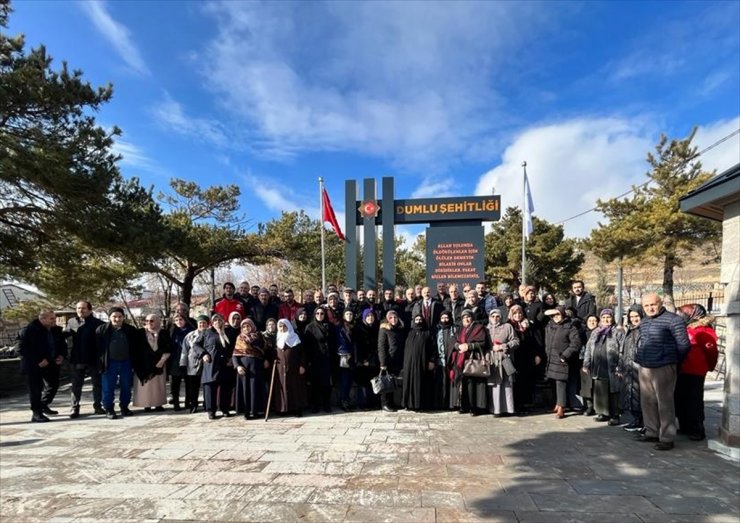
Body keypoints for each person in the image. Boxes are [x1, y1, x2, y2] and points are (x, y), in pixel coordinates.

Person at [634, 293, 690, 451]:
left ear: (660, 303)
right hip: (645, 365)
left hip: (664, 366)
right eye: (646, 306)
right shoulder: (644, 322)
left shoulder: (674, 320)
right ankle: (651, 431)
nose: (650, 308)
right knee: (647, 401)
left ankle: (667, 437)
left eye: (653, 304)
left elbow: (684, 345)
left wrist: (672, 360)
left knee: (665, 403)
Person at [675, 304, 719, 442]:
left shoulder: (703, 330)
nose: (680, 316)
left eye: (683, 313)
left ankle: (697, 429)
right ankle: (684, 426)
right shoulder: (686, 328)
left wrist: (709, 367)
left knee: (694, 401)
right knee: (680, 398)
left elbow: (711, 352)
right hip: (682, 369)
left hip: (695, 371)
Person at [96, 307, 145, 419]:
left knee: (126, 386)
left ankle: (124, 407)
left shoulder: (130, 330)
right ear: (109, 317)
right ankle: (109, 409)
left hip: (126, 362)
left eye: (120, 317)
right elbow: (96, 349)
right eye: (114, 316)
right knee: (108, 387)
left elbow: (137, 347)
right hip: (109, 363)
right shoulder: (102, 330)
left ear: (123, 317)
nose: (117, 319)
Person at [17, 310, 67, 422]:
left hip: (51, 363)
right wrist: (38, 360)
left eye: (55, 318)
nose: (55, 320)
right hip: (34, 366)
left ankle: (43, 404)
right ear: (43, 319)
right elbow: (20, 349)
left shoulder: (55, 331)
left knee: (53, 385)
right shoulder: (29, 331)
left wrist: (62, 356)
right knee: (36, 389)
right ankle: (36, 413)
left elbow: (61, 345)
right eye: (52, 318)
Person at [583, 309, 623, 425]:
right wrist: (586, 363)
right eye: (604, 317)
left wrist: (619, 366)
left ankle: (615, 415)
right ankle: (603, 413)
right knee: (600, 390)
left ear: (612, 318)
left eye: (608, 317)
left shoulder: (617, 332)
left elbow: (622, 350)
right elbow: (589, 348)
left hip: (611, 367)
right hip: (598, 366)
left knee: (613, 391)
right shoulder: (596, 332)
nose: (606, 320)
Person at [65, 301, 105, 418]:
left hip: (94, 360)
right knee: (76, 386)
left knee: (97, 384)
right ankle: (74, 408)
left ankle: (98, 406)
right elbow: (64, 335)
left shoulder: (99, 324)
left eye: (83, 308)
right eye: (78, 308)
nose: (80, 311)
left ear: (90, 310)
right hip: (77, 359)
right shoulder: (72, 322)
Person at [450, 309, 490, 416]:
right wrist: (458, 346)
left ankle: (476, 407)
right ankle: (464, 405)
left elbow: (483, 342)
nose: (466, 319)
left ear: (472, 318)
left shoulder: (478, 328)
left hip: (473, 359)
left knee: (474, 384)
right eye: (463, 318)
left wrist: (469, 346)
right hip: (461, 359)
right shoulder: (460, 329)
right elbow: (453, 340)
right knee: (464, 383)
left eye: (468, 317)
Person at [193, 314, 234, 419]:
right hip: (211, 363)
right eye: (215, 320)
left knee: (225, 387)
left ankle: (225, 409)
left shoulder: (228, 332)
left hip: (225, 364)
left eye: (219, 320)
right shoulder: (206, 332)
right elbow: (196, 345)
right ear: (212, 322)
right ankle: (211, 411)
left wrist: (232, 358)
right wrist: (203, 354)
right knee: (210, 387)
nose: (217, 322)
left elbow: (233, 347)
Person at [544, 306, 580, 419]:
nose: (556, 317)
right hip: (551, 358)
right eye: (554, 315)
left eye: (558, 314)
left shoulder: (570, 327)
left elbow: (576, 344)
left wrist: (565, 355)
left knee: (561, 383)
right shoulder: (549, 326)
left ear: (563, 314)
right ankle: (557, 403)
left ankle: (561, 408)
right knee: (554, 382)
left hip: (562, 359)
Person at [508, 304, 543, 413]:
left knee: (527, 380)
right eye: (515, 313)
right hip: (515, 357)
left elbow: (535, 341)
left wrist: (537, 354)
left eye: (520, 313)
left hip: (527, 357)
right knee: (516, 381)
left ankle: (526, 404)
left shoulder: (528, 325)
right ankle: (516, 404)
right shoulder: (508, 325)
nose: (518, 315)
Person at [133, 314, 171, 412]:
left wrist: (162, 361)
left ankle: (158, 404)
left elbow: (168, 347)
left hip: (159, 363)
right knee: (146, 387)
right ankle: (147, 404)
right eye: (147, 320)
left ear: (157, 321)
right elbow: (136, 349)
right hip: (144, 364)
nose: (149, 323)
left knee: (158, 386)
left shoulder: (163, 333)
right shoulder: (140, 333)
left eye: (152, 321)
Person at [269, 319, 307, 417]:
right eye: (280, 326)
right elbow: (272, 352)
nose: (282, 328)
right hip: (280, 368)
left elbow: (303, 353)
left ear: (288, 326)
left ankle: (296, 409)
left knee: (294, 387)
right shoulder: (276, 339)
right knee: (282, 387)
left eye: (284, 326)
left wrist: (302, 365)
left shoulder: (295, 338)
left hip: (293, 368)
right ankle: (283, 409)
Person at [486, 309, 519, 417]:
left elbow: (516, 341)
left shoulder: (507, 327)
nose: (495, 319)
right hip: (492, 360)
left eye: (497, 316)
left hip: (505, 358)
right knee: (495, 385)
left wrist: (503, 346)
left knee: (507, 384)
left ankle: (508, 409)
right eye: (493, 316)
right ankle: (496, 409)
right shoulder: (487, 329)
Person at [232, 318, 267, 420]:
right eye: (244, 326)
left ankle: (256, 411)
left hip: (256, 368)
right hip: (244, 369)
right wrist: (237, 366)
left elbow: (264, 350)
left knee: (255, 389)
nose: (246, 328)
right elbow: (235, 355)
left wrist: (265, 360)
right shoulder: (239, 338)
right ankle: (246, 413)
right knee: (245, 389)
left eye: (248, 326)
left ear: (252, 326)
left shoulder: (259, 336)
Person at [303, 306, 335, 413]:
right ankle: (314, 405)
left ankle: (326, 404)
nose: (320, 316)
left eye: (322, 314)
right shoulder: (310, 327)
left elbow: (333, 342)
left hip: (327, 359)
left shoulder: (330, 326)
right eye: (317, 314)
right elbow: (306, 346)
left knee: (327, 384)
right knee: (314, 384)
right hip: (315, 359)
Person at [401, 314, 435, 411]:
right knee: (408, 383)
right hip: (409, 363)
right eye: (416, 319)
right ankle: (407, 404)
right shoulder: (410, 333)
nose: (419, 321)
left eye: (420, 319)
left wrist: (432, 361)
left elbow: (433, 349)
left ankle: (420, 405)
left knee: (420, 383)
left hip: (422, 363)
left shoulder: (428, 333)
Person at [619, 305, 644, 431]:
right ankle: (637, 420)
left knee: (640, 395)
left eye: (636, 316)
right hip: (628, 367)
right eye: (632, 317)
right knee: (631, 394)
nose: (634, 319)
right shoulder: (629, 330)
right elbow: (623, 350)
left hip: (639, 367)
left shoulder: (643, 329)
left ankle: (643, 421)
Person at [377, 310, 406, 412]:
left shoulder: (400, 329)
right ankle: (385, 403)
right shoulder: (384, 330)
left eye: (395, 317)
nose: (393, 320)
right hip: (388, 360)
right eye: (391, 318)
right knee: (386, 382)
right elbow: (381, 346)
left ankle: (391, 402)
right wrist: (383, 362)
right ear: (387, 319)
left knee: (392, 382)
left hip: (398, 360)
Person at [181, 315, 209, 413]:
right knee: (193, 387)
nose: (202, 325)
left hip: (207, 364)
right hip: (193, 364)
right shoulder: (190, 335)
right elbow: (184, 351)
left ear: (207, 324)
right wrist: (183, 364)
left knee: (206, 385)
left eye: (204, 323)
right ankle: (193, 405)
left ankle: (207, 404)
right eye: (200, 323)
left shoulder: (210, 334)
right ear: (197, 324)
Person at [168, 314, 194, 411]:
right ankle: (176, 403)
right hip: (175, 360)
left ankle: (188, 402)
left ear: (185, 320)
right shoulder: (172, 331)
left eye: (181, 319)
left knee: (189, 382)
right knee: (175, 383)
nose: (179, 321)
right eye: (177, 320)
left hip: (188, 359)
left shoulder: (191, 331)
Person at [355, 309, 380, 410]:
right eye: (368, 316)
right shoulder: (359, 329)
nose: (370, 318)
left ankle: (374, 403)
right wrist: (362, 360)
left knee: (374, 382)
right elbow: (357, 346)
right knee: (364, 384)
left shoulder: (376, 328)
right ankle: (364, 404)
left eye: (372, 316)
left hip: (374, 360)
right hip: (363, 361)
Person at [435, 310, 456, 410]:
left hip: (452, 361)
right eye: (443, 318)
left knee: (451, 383)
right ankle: (441, 404)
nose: (445, 320)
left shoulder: (455, 329)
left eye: (446, 318)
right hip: (440, 361)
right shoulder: (437, 330)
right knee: (441, 382)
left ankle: (451, 404)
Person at [580, 314, 599, 416]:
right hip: (584, 362)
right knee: (586, 385)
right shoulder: (582, 333)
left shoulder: (601, 333)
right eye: (590, 321)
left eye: (594, 320)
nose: (592, 322)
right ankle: (589, 405)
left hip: (598, 362)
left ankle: (597, 406)